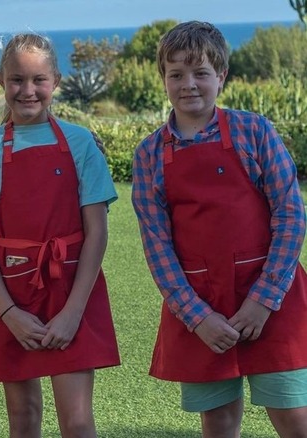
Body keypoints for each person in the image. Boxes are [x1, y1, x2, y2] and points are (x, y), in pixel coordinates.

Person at [132, 20, 307, 437]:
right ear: (164, 79)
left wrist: (263, 301)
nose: (188, 84)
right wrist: (197, 317)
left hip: (272, 299)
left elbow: (290, 215)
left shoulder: (254, 131)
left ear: (221, 76)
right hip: (200, 304)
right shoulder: (149, 153)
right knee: (219, 422)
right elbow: (157, 246)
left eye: (200, 73)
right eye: (176, 74)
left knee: (294, 416)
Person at [0, 33, 120, 437]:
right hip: (11, 291)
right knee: (23, 418)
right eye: (17, 80)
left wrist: (74, 311)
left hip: (73, 288)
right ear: (0, 80)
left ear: (56, 81)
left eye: (38, 80)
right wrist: (9, 313)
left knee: (76, 422)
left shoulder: (80, 143)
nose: (28, 91)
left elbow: (97, 230)